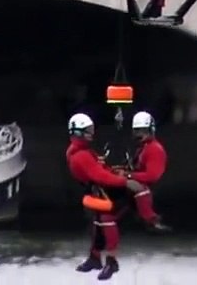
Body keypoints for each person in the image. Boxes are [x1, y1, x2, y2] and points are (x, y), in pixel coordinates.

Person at [67, 113, 135, 280]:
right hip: (101, 192)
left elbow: (99, 171)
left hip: (96, 192)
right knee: (105, 220)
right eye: (88, 130)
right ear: (79, 132)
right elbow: (100, 176)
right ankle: (109, 261)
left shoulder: (81, 152)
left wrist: (112, 171)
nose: (92, 133)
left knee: (99, 222)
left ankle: (97, 258)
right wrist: (125, 181)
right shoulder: (81, 155)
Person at [125, 110, 171, 232]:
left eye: (143, 131)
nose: (140, 134)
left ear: (151, 130)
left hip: (149, 187)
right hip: (139, 184)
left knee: (138, 188)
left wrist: (128, 175)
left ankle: (150, 220)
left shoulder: (154, 149)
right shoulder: (142, 148)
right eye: (137, 130)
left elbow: (152, 176)